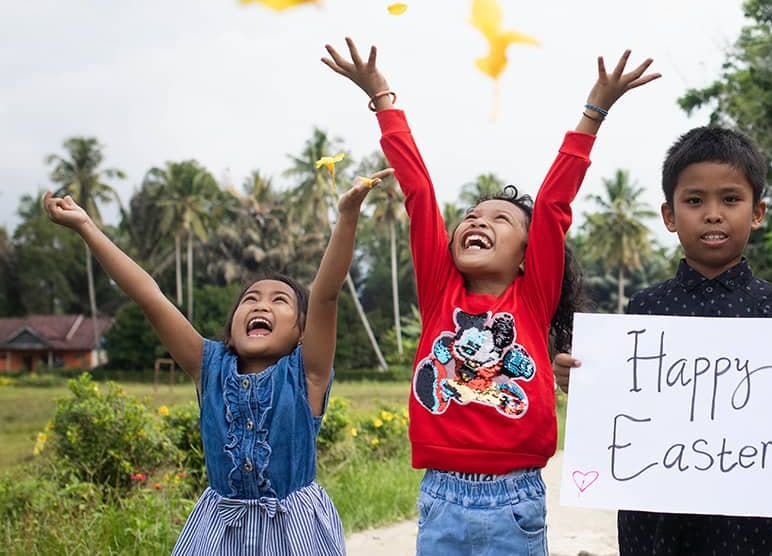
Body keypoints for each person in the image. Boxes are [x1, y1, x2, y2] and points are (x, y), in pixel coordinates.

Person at [321, 38, 658, 555]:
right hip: (441, 497)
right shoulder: (440, 290)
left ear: (528, 253)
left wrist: (595, 111)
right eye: (471, 217)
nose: (477, 221)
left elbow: (552, 204)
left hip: (515, 502)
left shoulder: (532, 297)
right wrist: (382, 97)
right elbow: (419, 190)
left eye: (500, 219)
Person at [45, 169, 392, 555]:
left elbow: (326, 294)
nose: (261, 304)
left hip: (295, 532)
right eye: (250, 299)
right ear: (231, 327)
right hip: (218, 531)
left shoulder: (307, 373)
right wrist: (86, 226)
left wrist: (347, 216)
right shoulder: (208, 366)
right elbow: (149, 296)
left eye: (280, 301)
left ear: (301, 333)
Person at [555, 125, 772, 556]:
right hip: (660, 521)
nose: (713, 214)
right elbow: (624, 401)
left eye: (731, 199)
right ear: (669, 215)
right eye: (694, 201)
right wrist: (584, 382)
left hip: (761, 524)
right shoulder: (646, 308)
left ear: (758, 212)